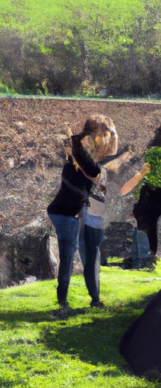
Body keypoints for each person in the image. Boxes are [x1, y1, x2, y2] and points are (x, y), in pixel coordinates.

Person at [47, 115, 118, 310]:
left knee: (73, 256)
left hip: (64, 213)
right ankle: (63, 302)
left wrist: (82, 135)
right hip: (66, 216)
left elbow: (78, 149)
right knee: (68, 258)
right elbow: (76, 149)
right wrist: (84, 134)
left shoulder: (89, 167)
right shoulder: (83, 165)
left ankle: (72, 300)